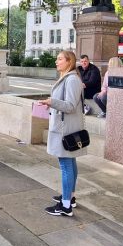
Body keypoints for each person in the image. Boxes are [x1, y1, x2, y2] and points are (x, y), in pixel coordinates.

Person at [38, 50, 86, 217]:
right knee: (70, 163)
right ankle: (70, 197)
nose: (56, 62)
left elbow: (70, 106)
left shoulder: (72, 79)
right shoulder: (69, 78)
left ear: (69, 61)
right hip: (66, 127)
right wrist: (51, 104)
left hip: (65, 129)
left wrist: (52, 101)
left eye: (59, 59)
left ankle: (66, 206)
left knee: (66, 165)